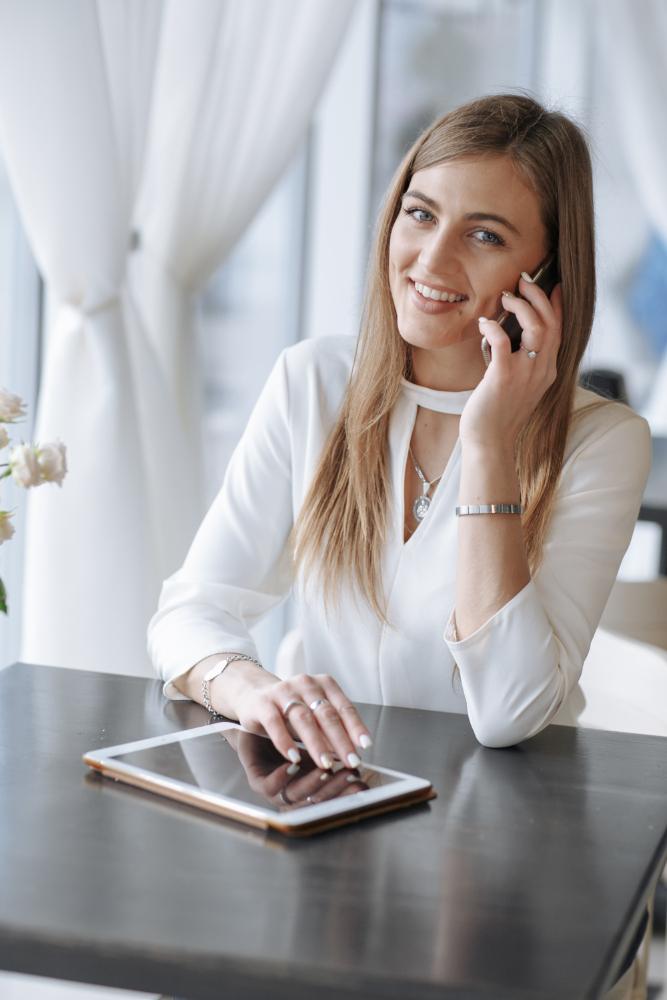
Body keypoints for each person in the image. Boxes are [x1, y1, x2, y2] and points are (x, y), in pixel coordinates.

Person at [148, 93, 650, 773]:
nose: (430, 260)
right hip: (325, 795)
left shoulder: (603, 442)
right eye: (420, 215)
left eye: (485, 235)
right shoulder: (313, 382)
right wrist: (249, 688)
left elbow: (509, 713)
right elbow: (191, 609)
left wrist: (488, 444)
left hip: (508, 828)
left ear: (547, 276)